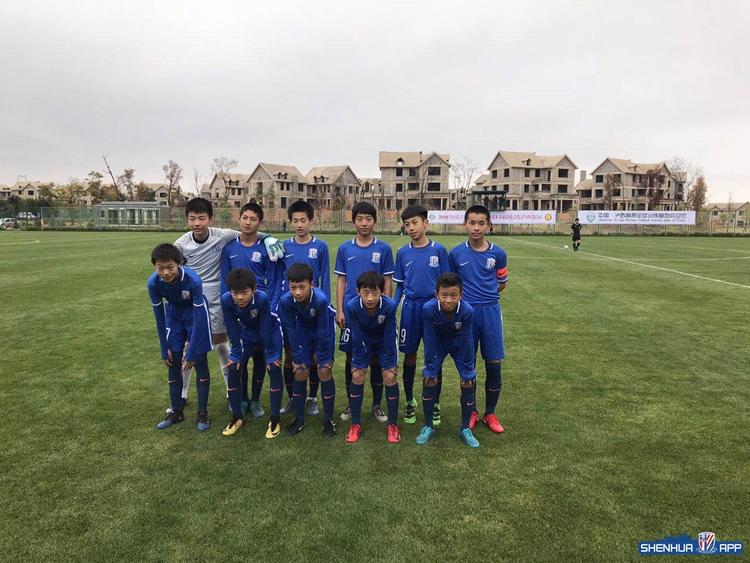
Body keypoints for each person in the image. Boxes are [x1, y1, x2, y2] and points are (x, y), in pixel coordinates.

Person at [172, 197, 283, 412]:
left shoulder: (223, 235)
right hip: (205, 301)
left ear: (210, 219)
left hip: (241, 304)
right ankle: (184, 394)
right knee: (191, 345)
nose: (197, 223)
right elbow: (173, 268)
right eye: (192, 219)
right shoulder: (181, 245)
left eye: (202, 218)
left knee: (229, 347)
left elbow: (251, 234)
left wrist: (269, 237)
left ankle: (240, 394)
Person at [448, 205, 509, 435]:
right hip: (466, 313)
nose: (476, 227)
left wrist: (486, 297)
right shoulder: (456, 254)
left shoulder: (499, 254)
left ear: (489, 226)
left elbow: (502, 283)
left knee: (493, 362)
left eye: (481, 223)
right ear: (465, 224)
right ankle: (471, 410)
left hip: (490, 312)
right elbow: (451, 286)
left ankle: (490, 413)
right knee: (468, 364)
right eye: (472, 222)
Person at [220, 202, 282, 419]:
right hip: (239, 310)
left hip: (262, 308)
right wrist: (229, 306)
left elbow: (274, 279)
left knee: (260, 357)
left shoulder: (266, 247)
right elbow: (225, 281)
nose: (248, 222)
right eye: (244, 218)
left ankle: (255, 399)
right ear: (239, 219)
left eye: (253, 219)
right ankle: (243, 398)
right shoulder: (229, 248)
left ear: (260, 222)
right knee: (241, 357)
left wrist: (272, 308)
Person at [334, 201, 394, 422]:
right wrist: (340, 309)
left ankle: (377, 405)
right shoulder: (345, 248)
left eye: (368, 219)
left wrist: (386, 308)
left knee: (377, 357)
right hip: (353, 313)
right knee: (352, 357)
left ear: (375, 222)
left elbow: (387, 280)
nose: (364, 223)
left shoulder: (384, 249)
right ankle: (352, 404)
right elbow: (342, 280)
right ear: (354, 222)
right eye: (359, 219)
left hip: (377, 312)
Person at [392, 205, 450, 426]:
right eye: (407, 224)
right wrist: (392, 307)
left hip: (433, 309)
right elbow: (399, 285)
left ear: (426, 223)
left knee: (434, 357)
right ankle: (410, 401)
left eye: (415, 223)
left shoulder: (439, 250)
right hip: (410, 309)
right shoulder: (403, 253)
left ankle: (435, 404)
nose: (411, 228)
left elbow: (447, 284)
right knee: (409, 355)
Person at [147, 243, 213, 431]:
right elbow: (159, 317)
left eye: (170, 267)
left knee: (199, 360)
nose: (165, 272)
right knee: (172, 360)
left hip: (195, 314)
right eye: (160, 268)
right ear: (154, 266)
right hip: (174, 315)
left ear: (179, 264)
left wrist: (192, 351)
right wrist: (163, 348)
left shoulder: (193, 280)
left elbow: (199, 318)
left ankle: (202, 413)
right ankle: (176, 411)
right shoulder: (153, 283)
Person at [277, 200, 331, 419]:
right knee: (290, 354)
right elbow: (278, 277)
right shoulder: (283, 246)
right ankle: (293, 397)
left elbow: (325, 277)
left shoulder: (321, 246)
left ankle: (312, 398)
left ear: (311, 221)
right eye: (295, 221)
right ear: (290, 222)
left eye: (303, 220)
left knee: (315, 357)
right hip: (290, 309)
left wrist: (327, 306)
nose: (299, 225)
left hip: (314, 309)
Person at [417, 273, 479, 448]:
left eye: (453, 295)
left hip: (459, 343)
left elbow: (467, 340)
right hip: (437, 343)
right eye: (444, 295)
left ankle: (465, 428)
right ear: (436, 294)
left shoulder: (467, 311)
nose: (449, 300)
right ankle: (428, 426)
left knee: (468, 380)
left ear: (461, 295)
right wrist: (431, 368)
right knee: (429, 378)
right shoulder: (428, 309)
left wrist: (468, 370)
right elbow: (429, 339)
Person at [220, 268, 284, 438]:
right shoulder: (226, 300)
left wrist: (270, 352)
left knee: (274, 367)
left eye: (244, 292)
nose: (240, 297)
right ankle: (236, 417)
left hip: (269, 331)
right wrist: (236, 351)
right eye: (235, 293)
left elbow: (265, 326)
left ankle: (275, 419)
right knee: (233, 368)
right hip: (246, 333)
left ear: (254, 289)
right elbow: (232, 326)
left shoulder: (262, 298)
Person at [277, 263, 337, 438]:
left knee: (324, 370)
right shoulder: (285, 302)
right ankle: (299, 418)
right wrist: (297, 358)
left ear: (312, 284)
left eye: (302, 287)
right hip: (302, 330)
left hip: (323, 329)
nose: (297, 292)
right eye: (293, 287)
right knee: (300, 371)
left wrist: (323, 357)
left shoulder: (321, 300)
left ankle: (328, 419)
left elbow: (323, 332)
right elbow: (291, 330)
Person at [344, 271, 400, 444]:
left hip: (384, 340)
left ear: (381, 292)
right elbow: (357, 335)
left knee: (389, 376)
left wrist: (389, 363)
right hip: (364, 340)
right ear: (358, 291)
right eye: (365, 292)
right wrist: (359, 363)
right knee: (357, 375)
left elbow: (390, 335)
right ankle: (355, 424)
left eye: (375, 293)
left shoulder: (390, 306)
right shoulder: (352, 306)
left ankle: (393, 425)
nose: (370, 298)